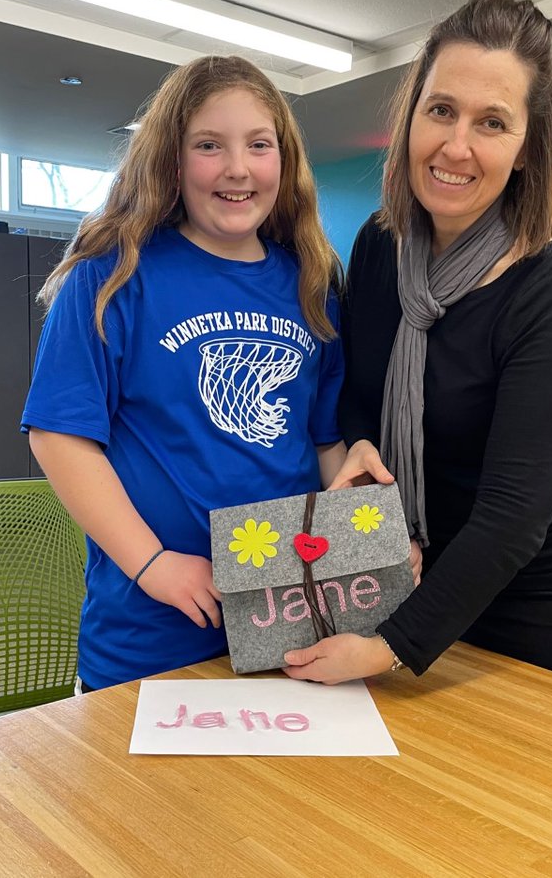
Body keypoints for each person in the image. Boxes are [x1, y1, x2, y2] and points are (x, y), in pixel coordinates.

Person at [283, 0, 552, 686]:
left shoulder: (551, 291)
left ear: (526, 149)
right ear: (411, 117)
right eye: (441, 110)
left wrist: (389, 646)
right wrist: (360, 445)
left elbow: (514, 517)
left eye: (492, 122)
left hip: (547, 588)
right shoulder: (380, 244)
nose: (456, 146)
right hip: (421, 559)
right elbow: (358, 389)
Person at [23, 56, 346, 692]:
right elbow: (58, 437)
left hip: (291, 627)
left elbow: (322, 444)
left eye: (259, 145)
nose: (237, 168)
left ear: (284, 162)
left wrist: (374, 539)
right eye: (209, 145)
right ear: (172, 161)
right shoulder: (112, 275)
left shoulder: (313, 286)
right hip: (150, 635)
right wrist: (153, 564)